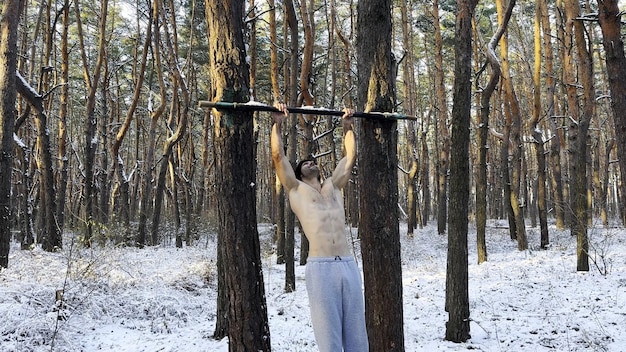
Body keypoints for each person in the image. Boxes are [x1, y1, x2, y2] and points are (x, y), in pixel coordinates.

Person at [271, 103, 369, 352]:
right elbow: (278, 157)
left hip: (347, 263)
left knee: (358, 336)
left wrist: (347, 127)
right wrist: (277, 124)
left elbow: (349, 159)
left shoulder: (333, 187)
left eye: (313, 160)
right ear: (298, 172)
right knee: (329, 338)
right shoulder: (296, 189)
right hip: (321, 267)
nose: (311, 162)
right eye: (305, 162)